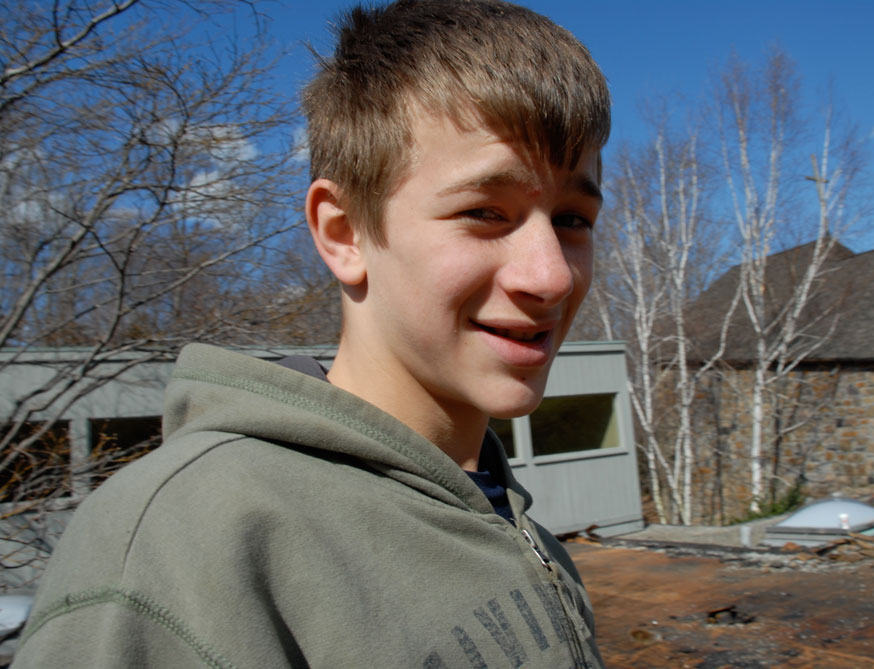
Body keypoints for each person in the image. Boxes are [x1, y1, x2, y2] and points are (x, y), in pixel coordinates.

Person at [13, 0, 610, 666]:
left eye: (573, 219)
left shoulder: (528, 537)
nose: (551, 276)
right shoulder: (183, 546)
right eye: (484, 212)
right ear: (344, 232)